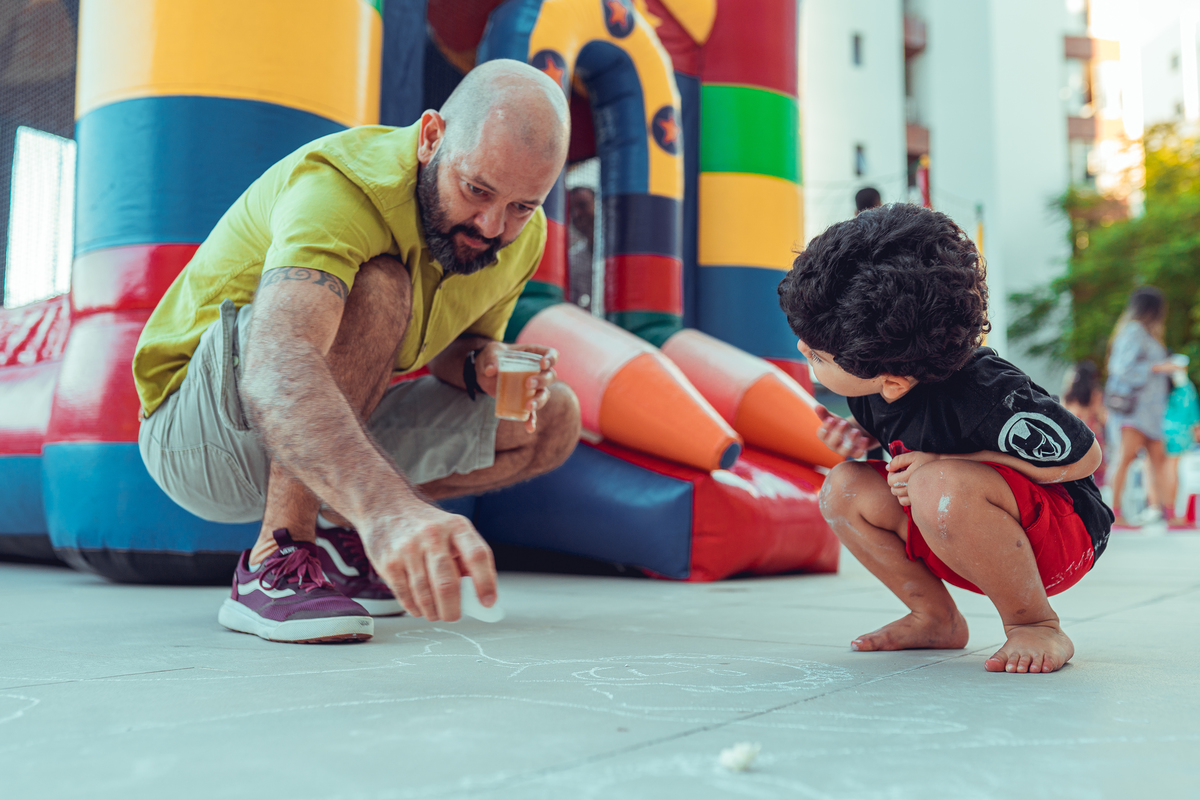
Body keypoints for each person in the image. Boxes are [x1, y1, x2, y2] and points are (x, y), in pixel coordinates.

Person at [134, 60, 582, 644]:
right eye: (476, 190)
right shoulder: (341, 185)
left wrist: (479, 365)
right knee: (381, 285)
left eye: (523, 205)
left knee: (552, 419)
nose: (492, 226)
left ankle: (345, 539)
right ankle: (278, 557)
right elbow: (278, 362)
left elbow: (460, 346)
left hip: (315, 435)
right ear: (430, 138)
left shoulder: (524, 237)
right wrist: (389, 509)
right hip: (200, 434)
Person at [777, 204, 1111, 674]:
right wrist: (865, 445)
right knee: (843, 486)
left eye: (816, 354)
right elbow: (908, 450)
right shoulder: (875, 391)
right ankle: (934, 616)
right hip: (960, 529)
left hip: (1062, 537)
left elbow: (1085, 457)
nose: (800, 350)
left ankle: (1035, 623)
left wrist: (948, 462)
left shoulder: (988, 393)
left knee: (937, 482)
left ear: (893, 380)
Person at [1104, 287, 1179, 527]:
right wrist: (1158, 367)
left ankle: (1170, 515)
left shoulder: (1146, 332)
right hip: (1134, 412)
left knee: (1159, 460)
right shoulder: (1134, 331)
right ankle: (1114, 514)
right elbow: (1120, 368)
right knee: (1124, 458)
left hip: (1151, 413)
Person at [1162, 356, 1200, 527]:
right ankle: (1173, 514)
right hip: (1180, 436)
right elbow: (1194, 417)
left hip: (1159, 434)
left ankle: (1167, 512)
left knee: (1163, 470)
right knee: (1174, 472)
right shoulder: (1186, 388)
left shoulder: (1163, 387)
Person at [1062, 360, 1106, 487]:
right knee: (1097, 475)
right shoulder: (1095, 393)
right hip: (1092, 434)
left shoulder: (1068, 396)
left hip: (1073, 436)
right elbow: (1102, 417)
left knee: (1079, 474)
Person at [567, 186, 595, 309]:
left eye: (583, 205)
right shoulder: (573, 259)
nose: (577, 214)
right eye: (571, 210)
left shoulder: (626, 250)